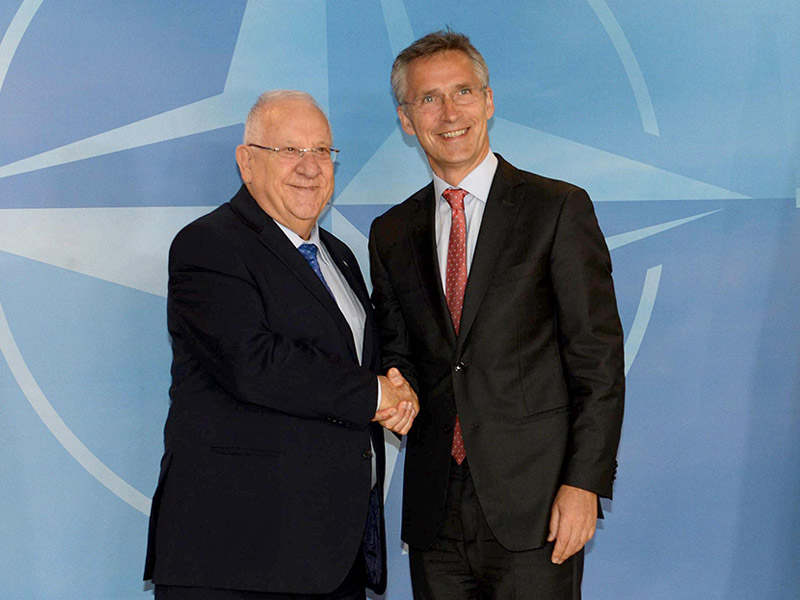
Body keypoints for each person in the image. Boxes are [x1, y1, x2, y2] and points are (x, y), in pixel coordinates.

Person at [368, 31, 625, 599]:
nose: (449, 112)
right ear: (407, 120)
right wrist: (393, 381)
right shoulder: (390, 233)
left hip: (537, 509)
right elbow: (398, 351)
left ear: (489, 100)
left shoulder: (558, 209)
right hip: (434, 514)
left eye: (463, 91)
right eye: (428, 99)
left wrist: (583, 484)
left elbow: (597, 360)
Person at [144, 90, 418, 600]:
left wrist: (398, 383)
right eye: (289, 151)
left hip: (332, 559)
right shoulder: (209, 244)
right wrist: (376, 396)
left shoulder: (338, 256)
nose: (310, 167)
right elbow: (254, 363)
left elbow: (361, 361)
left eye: (322, 151)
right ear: (247, 162)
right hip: (237, 558)